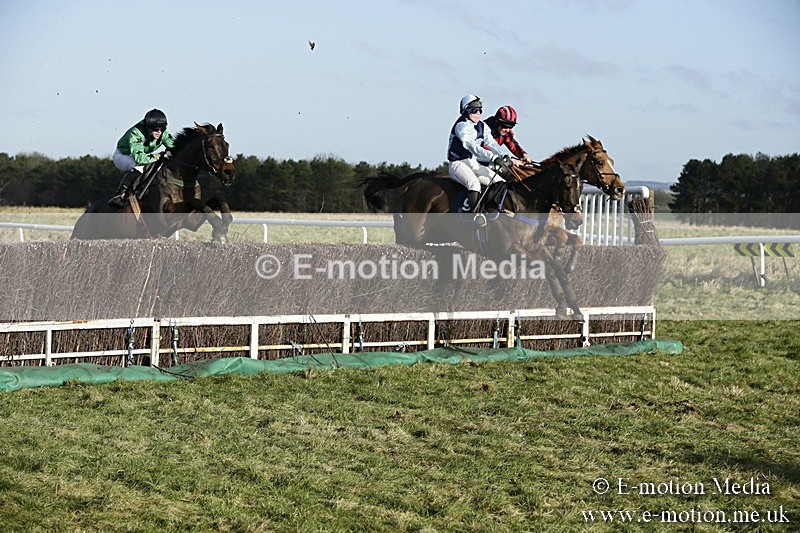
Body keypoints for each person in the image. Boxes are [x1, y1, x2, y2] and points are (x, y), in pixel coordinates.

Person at [447, 95, 512, 213]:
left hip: (471, 162)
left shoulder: (482, 126)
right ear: (465, 111)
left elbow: (491, 142)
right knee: (474, 185)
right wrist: (493, 158)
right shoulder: (461, 126)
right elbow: (472, 146)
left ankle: (490, 211)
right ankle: (476, 216)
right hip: (457, 164)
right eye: (474, 111)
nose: (478, 114)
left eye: (480, 110)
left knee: (500, 182)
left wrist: (503, 155)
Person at [108, 109, 175, 207]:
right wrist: (160, 155)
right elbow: (140, 159)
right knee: (139, 166)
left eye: (162, 129)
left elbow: (176, 147)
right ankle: (119, 195)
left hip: (142, 156)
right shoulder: (136, 134)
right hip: (123, 155)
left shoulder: (162, 132)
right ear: (148, 127)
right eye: (156, 129)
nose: (159, 132)